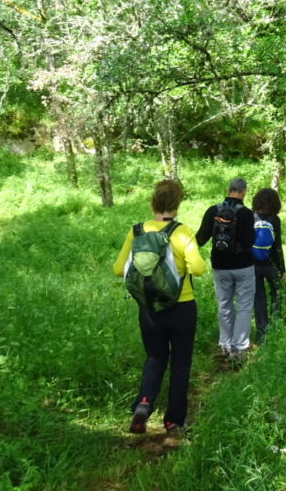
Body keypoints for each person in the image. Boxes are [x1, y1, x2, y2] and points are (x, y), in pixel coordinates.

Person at [112, 179, 206, 434]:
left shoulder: (137, 231)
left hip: (150, 309)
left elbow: (119, 269)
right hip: (182, 306)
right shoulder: (182, 232)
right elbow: (198, 268)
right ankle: (173, 421)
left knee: (155, 358)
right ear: (177, 204)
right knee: (180, 363)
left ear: (153, 202)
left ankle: (143, 402)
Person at [196, 177, 256, 363]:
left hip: (220, 265)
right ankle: (239, 348)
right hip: (243, 266)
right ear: (243, 192)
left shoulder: (213, 210)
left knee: (224, 305)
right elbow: (249, 242)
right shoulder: (246, 214)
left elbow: (200, 238)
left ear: (228, 190)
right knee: (244, 306)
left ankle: (225, 345)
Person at [251, 187, 285, 343]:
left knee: (259, 298)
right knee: (277, 295)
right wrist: (282, 268)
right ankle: (275, 326)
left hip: (253, 265)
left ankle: (261, 333)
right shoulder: (274, 220)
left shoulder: (251, 217)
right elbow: (277, 246)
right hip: (272, 264)